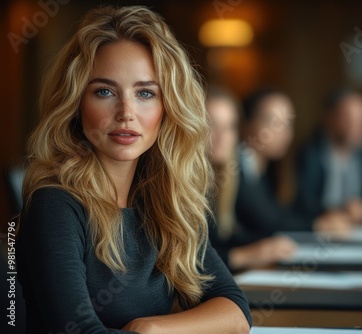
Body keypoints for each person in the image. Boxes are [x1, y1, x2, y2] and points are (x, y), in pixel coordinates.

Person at [17, 6, 251, 333]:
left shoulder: (165, 200)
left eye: (144, 93)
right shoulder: (55, 204)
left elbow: (236, 313)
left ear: (167, 107)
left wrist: (151, 329)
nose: (126, 112)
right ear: (75, 104)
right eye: (104, 91)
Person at [206, 87, 296, 271]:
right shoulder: (183, 184)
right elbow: (189, 261)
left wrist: (263, 246)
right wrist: (246, 255)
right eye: (211, 125)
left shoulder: (221, 179)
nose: (222, 136)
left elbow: (220, 240)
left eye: (230, 126)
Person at [235, 88, 344, 237]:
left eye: (287, 123)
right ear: (246, 125)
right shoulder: (236, 168)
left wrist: (328, 213)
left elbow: (289, 210)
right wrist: (317, 225)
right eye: (272, 122)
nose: (283, 132)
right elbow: (266, 220)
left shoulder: (270, 167)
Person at [295, 88, 362, 225]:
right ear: (329, 117)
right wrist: (338, 210)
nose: (360, 127)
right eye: (349, 119)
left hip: (358, 227)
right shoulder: (310, 152)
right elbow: (303, 203)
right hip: (323, 229)